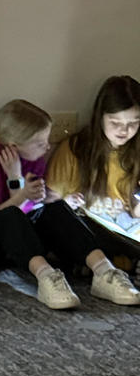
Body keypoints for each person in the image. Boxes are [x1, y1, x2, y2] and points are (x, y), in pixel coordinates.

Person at [0, 98, 140, 309]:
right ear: (13, 146)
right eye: (40, 143)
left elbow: (28, 210)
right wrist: (20, 190)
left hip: (18, 242)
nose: (47, 147)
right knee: (10, 215)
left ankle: (104, 272)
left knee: (54, 208)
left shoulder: (34, 158)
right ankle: (47, 278)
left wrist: (23, 189)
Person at [46, 75, 140, 262]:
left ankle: (124, 260)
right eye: (116, 123)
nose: (125, 130)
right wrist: (67, 202)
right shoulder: (75, 149)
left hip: (128, 228)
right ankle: (120, 261)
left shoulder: (135, 151)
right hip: (92, 227)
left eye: (134, 123)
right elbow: (50, 206)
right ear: (100, 117)